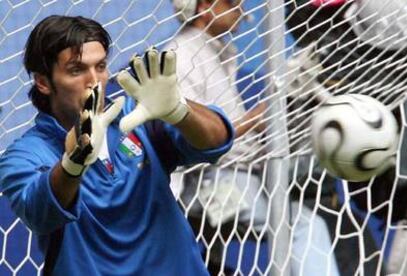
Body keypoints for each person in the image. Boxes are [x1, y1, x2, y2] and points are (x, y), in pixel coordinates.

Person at [0, 15, 235, 275]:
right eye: (76, 70)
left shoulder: (139, 115)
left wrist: (180, 111)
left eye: (100, 66)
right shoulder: (25, 154)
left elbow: (218, 142)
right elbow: (39, 212)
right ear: (43, 82)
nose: (94, 80)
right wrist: (74, 160)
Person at [167, 0, 340, 275]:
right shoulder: (182, 55)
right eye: (231, 1)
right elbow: (192, 138)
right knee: (302, 225)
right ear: (204, 7)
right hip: (210, 181)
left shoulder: (216, 52)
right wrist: (262, 114)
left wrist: (289, 101)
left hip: (242, 176)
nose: (241, 7)